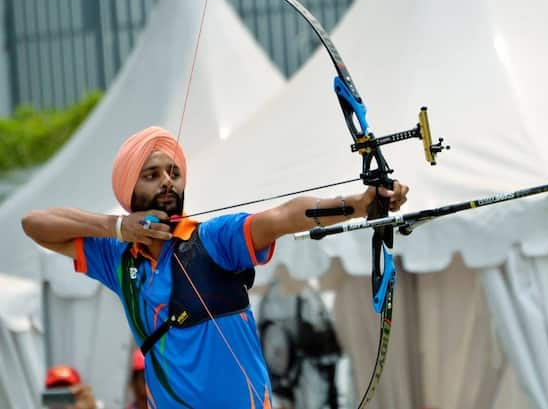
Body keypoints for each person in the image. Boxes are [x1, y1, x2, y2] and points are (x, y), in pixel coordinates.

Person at [22, 127, 409, 408]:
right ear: (128, 190)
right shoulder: (119, 260)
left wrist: (360, 203)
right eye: (152, 175)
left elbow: (283, 216)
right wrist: (117, 227)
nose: (167, 182)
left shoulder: (213, 240)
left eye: (174, 173)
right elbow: (34, 224)